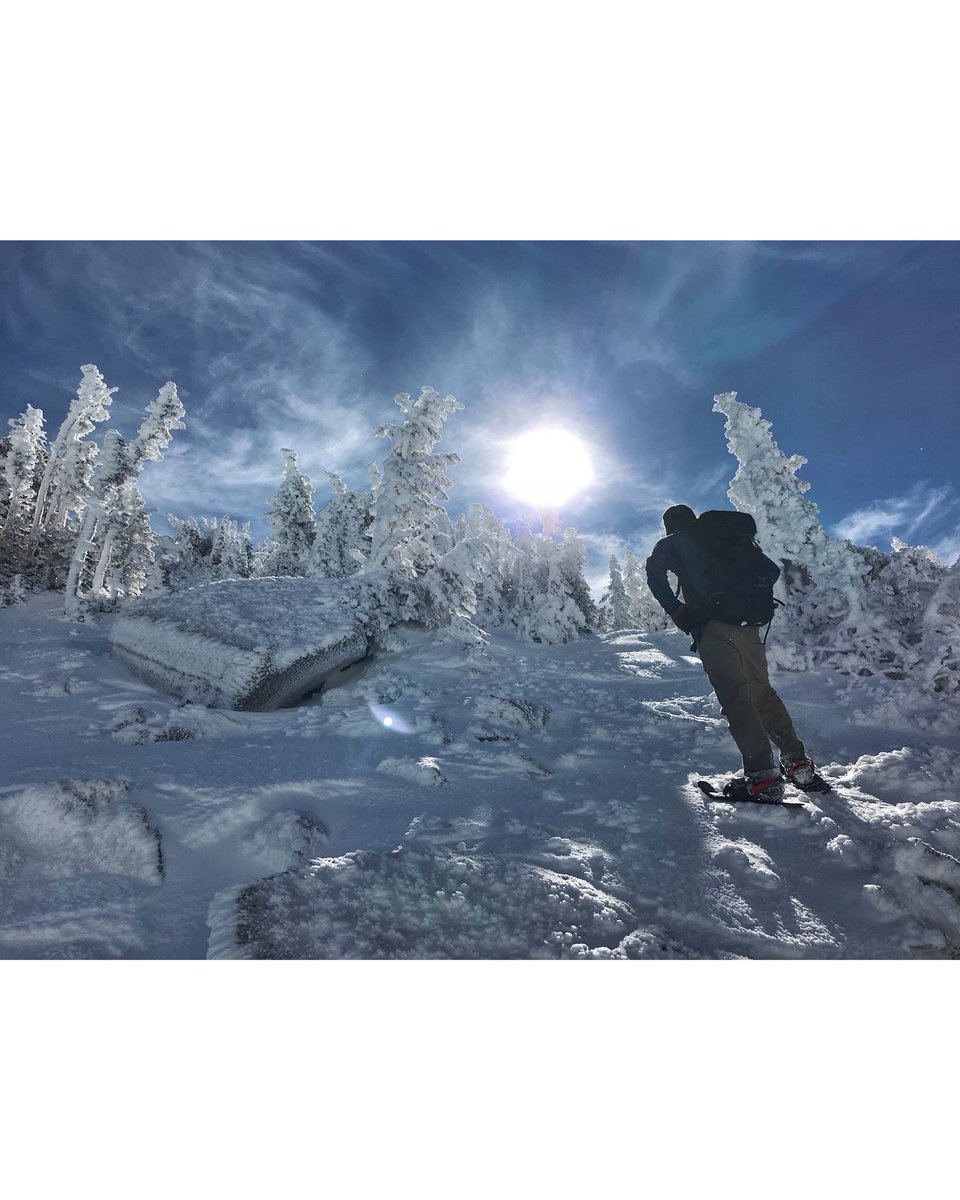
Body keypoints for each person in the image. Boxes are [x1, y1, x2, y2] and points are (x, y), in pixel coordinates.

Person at [645, 504, 820, 802]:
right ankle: (796, 760)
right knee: (761, 692)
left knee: (736, 698)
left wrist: (676, 609)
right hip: (749, 626)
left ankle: (763, 777)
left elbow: (654, 573)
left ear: (670, 525)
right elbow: (770, 569)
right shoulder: (724, 537)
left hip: (712, 626)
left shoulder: (675, 542)